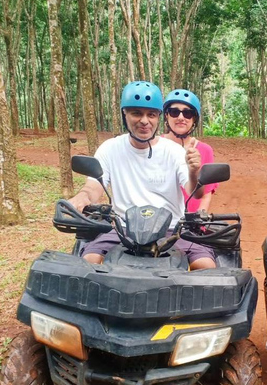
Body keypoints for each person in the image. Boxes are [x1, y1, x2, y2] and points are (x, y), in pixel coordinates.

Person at [68, 80, 216, 269]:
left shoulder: (174, 151)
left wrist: (194, 171)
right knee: (89, 261)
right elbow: (94, 186)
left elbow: (195, 192)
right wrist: (82, 197)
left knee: (206, 266)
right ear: (125, 114)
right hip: (123, 229)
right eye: (136, 113)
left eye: (151, 114)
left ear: (158, 118)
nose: (144, 121)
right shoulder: (110, 148)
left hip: (171, 230)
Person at [161, 89, 217, 212]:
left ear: (194, 119)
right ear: (166, 115)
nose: (181, 117)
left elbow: (206, 193)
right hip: (158, 221)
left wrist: (199, 221)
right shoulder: (154, 145)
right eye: (174, 112)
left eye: (187, 113)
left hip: (191, 224)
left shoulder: (205, 150)